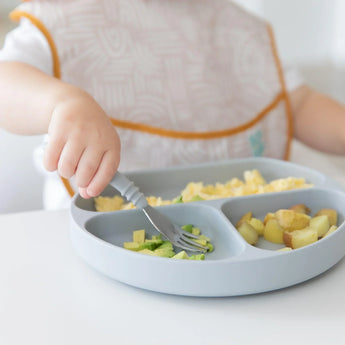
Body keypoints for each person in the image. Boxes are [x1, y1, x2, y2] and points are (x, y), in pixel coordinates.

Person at [1, 0, 345, 209]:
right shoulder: (67, 17)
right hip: (101, 232)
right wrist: (63, 103)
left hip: (243, 230)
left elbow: (296, 105)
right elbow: (7, 80)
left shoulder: (234, 25)